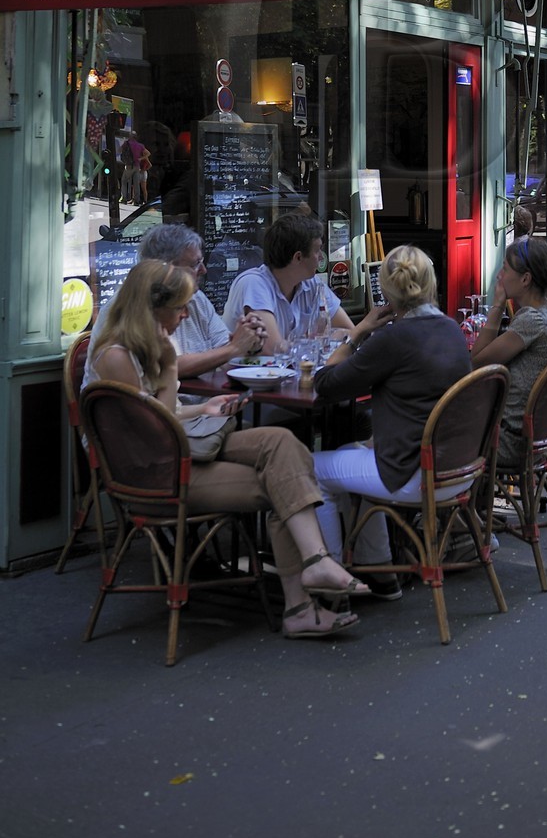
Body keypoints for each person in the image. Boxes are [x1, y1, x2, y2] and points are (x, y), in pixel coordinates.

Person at [84, 260, 360, 640]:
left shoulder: (144, 345)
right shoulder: (117, 356)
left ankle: (316, 564)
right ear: (152, 306)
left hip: (183, 448)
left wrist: (205, 408)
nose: (185, 314)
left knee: (281, 442)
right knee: (285, 484)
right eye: (179, 307)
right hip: (158, 475)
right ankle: (301, 605)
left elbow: (160, 416)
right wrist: (169, 371)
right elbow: (157, 434)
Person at [313, 246, 471, 597]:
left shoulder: (392, 338)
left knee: (311, 470)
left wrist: (359, 331)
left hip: (410, 472)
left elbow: (325, 384)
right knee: (352, 452)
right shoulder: (451, 329)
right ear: (431, 283)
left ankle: (332, 578)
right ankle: (380, 570)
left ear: (385, 291)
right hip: (457, 469)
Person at [88, 224, 266, 381]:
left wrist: (249, 342)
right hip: (166, 415)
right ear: (167, 268)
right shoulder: (131, 305)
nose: (204, 270)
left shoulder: (197, 299)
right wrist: (233, 349)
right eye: (195, 264)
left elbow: (224, 353)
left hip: (203, 411)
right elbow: (161, 368)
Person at [471, 237, 547, 471]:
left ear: (525, 279)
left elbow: (477, 362)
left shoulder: (532, 320)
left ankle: (447, 504)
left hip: (508, 442)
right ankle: (471, 504)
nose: (499, 276)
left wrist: (497, 306)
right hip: (540, 438)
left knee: (431, 432)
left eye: (505, 269)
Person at [222, 212, 342, 352]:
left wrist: (315, 341)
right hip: (244, 373)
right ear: (298, 257)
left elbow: (348, 332)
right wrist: (315, 342)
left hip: (293, 372)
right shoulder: (254, 283)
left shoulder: (313, 284)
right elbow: (275, 350)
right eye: (317, 251)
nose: (321, 257)